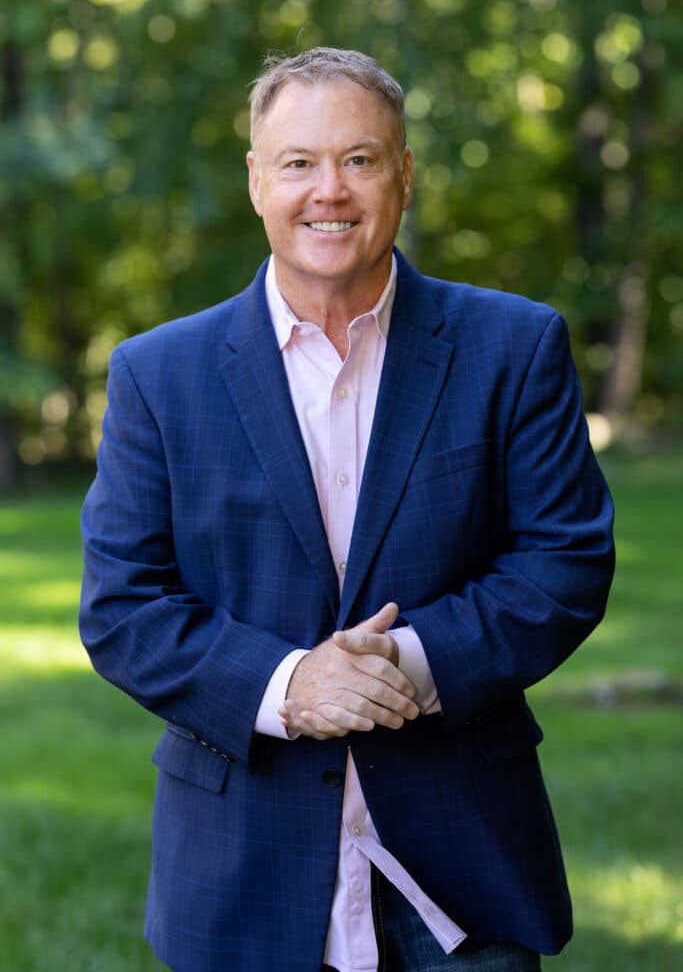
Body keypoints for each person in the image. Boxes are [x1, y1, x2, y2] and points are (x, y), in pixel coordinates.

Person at [79, 47, 615, 972]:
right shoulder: (157, 375)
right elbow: (123, 608)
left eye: (360, 160)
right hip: (243, 877)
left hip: (462, 864)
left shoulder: (513, 347)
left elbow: (561, 565)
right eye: (298, 163)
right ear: (257, 181)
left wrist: (398, 666)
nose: (329, 191)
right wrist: (290, 686)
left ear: (403, 177)